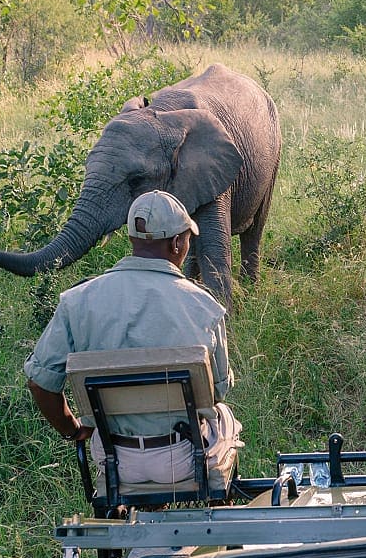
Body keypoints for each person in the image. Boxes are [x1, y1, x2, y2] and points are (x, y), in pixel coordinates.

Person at [24, 189, 241, 485]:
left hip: (115, 459)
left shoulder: (78, 301)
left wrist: (72, 429)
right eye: (188, 239)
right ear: (177, 243)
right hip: (183, 458)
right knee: (225, 415)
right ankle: (216, 511)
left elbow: (40, 383)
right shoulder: (204, 306)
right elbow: (217, 392)